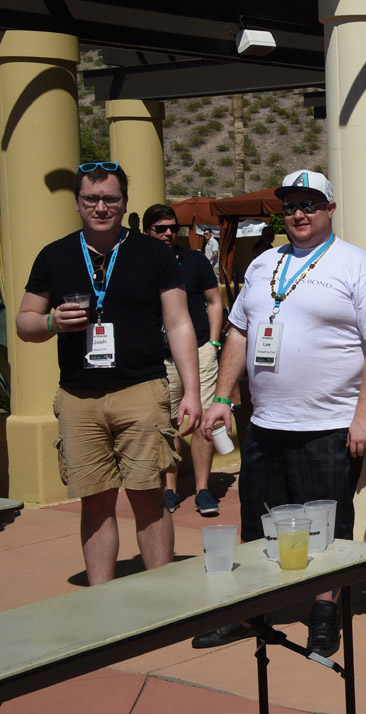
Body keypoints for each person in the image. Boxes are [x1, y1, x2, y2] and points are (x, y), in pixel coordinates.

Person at [196, 170, 366, 656]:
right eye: (290, 206)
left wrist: (364, 414)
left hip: (329, 426)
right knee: (258, 523)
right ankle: (249, 612)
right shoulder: (265, 263)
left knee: (325, 531)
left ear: (329, 209)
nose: (299, 214)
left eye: (310, 204)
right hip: (266, 425)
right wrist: (223, 397)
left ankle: (324, 612)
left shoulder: (357, 266)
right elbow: (241, 333)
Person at [17, 162, 202, 584]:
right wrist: (51, 323)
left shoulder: (154, 253)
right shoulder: (55, 254)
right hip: (79, 396)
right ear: (78, 203)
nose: (101, 207)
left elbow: (178, 323)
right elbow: (25, 321)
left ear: (124, 203)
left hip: (142, 389)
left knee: (148, 498)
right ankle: (102, 603)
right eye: (92, 199)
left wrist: (191, 391)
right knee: (95, 501)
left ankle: (162, 599)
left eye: (111, 199)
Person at [142, 205, 224, 517]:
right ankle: (170, 489)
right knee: (168, 424)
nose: (167, 234)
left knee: (203, 420)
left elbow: (214, 301)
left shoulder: (194, 260)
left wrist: (214, 342)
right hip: (160, 356)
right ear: (148, 231)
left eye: (172, 228)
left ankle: (203, 488)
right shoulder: (138, 263)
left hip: (200, 349)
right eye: (160, 228)